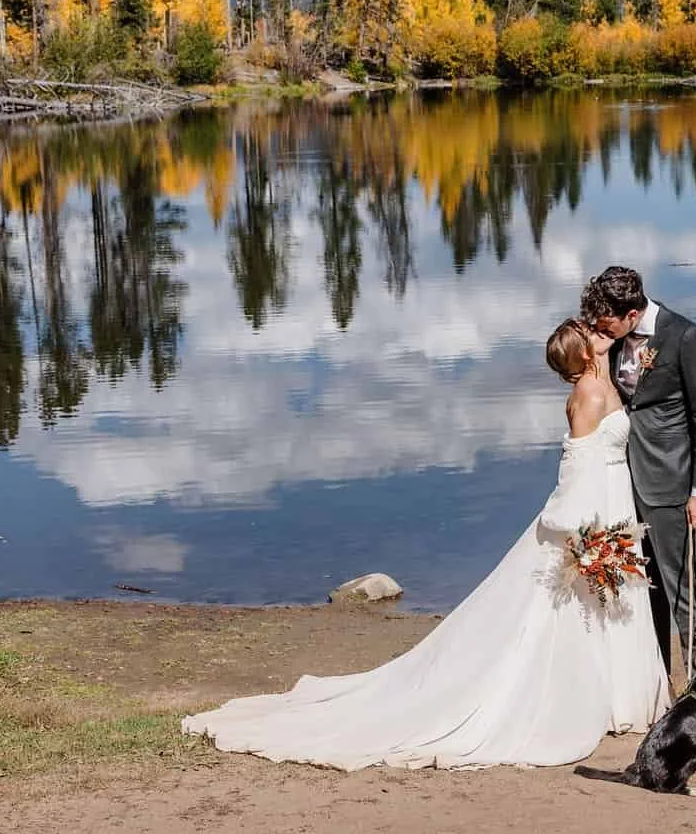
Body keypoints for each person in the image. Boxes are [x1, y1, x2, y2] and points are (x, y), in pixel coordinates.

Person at [179, 319, 667, 770]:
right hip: (591, 507)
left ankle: (615, 697)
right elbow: (577, 462)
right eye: (590, 333)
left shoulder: (604, 382)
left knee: (605, 600)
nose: (600, 332)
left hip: (614, 496)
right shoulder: (589, 394)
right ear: (583, 355)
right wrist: (575, 527)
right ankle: (582, 699)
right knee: (568, 608)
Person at [580, 265, 696, 673]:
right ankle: (658, 679)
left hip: (670, 481)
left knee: (684, 587)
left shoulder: (686, 337)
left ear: (631, 315)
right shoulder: (612, 337)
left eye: (606, 321)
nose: (598, 326)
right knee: (644, 586)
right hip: (623, 479)